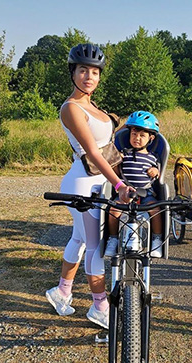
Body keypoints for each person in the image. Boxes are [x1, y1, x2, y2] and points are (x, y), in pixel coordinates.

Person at [45, 43, 134, 330]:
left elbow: (106, 144)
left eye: (94, 72)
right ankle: (99, 307)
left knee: (79, 240)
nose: (89, 76)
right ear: (73, 72)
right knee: (95, 246)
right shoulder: (71, 108)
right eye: (83, 70)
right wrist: (119, 183)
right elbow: (93, 152)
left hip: (100, 180)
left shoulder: (93, 105)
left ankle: (61, 292)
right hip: (84, 183)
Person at [104, 110, 163, 258]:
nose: (137, 138)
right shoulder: (124, 154)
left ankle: (157, 239)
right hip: (125, 193)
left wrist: (155, 171)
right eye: (133, 134)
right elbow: (116, 174)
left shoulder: (152, 157)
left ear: (151, 138)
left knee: (155, 209)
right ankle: (113, 239)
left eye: (142, 135)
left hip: (145, 193)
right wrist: (117, 161)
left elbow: (158, 175)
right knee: (113, 210)